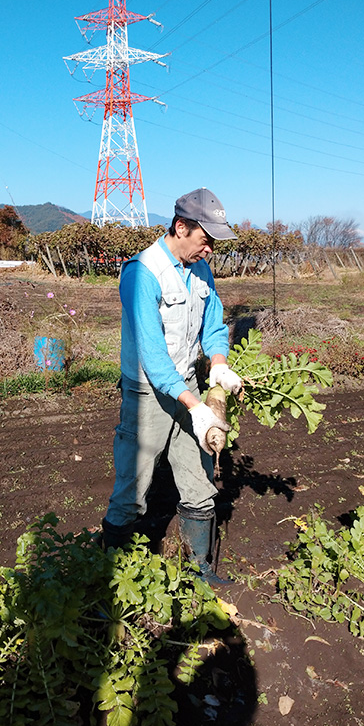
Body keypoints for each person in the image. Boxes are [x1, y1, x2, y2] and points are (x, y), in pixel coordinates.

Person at [102, 187, 243, 584]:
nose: (210, 250)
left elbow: (213, 322)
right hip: (148, 390)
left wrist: (218, 365)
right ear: (181, 227)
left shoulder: (200, 268)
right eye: (205, 240)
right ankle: (110, 575)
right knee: (134, 485)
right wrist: (195, 407)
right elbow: (152, 353)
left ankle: (200, 565)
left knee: (199, 477)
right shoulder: (142, 273)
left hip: (186, 384)